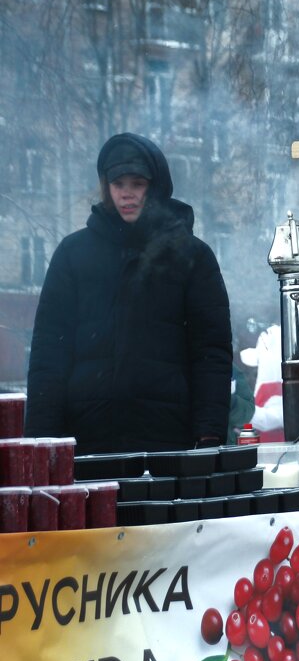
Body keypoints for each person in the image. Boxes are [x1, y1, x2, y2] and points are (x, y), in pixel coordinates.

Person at [25, 133, 231, 454]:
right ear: (107, 187)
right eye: (118, 183)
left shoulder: (191, 256)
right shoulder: (73, 254)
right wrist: (41, 440)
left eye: (137, 183)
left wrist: (209, 435)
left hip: (167, 439)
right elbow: (48, 353)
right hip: (87, 438)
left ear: (156, 186)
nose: (127, 194)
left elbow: (211, 353)